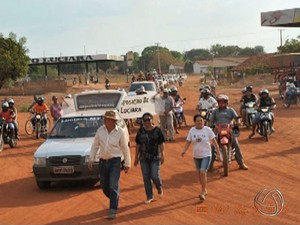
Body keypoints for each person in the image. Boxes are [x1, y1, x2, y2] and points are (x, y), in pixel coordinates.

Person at [88, 110, 131, 220]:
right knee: (104, 186)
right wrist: (91, 158)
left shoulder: (120, 132)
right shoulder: (100, 131)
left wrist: (127, 163)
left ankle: (113, 209)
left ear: (113, 121)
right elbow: (95, 145)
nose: (105, 120)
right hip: (103, 161)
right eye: (105, 118)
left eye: (107, 119)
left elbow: (125, 148)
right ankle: (114, 197)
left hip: (115, 162)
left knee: (113, 185)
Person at [181, 115, 219, 201]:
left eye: (201, 120)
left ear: (204, 121)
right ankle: (204, 188)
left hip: (206, 154)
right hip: (196, 156)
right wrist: (184, 150)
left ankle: (203, 191)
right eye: (197, 121)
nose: (199, 122)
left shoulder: (208, 130)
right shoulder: (192, 130)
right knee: (200, 173)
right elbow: (188, 141)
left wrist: (219, 153)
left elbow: (214, 142)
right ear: (194, 122)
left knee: (202, 172)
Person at [210, 95, 248, 170]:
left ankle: (241, 163)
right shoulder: (215, 111)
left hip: (229, 129)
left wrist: (239, 122)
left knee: (236, 144)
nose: (221, 104)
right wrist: (210, 125)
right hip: (218, 129)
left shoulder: (230, 110)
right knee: (213, 146)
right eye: (220, 102)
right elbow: (211, 121)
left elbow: (237, 118)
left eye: (223, 102)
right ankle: (210, 165)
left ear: (226, 102)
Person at [134, 112, 165, 204]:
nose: (147, 122)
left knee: (155, 175)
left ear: (152, 120)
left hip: (155, 156)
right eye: (145, 120)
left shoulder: (157, 130)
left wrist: (163, 154)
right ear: (142, 121)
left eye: (149, 119)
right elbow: (138, 144)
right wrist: (136, 157)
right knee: (146, 177)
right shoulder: (140, 131)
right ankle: (149, 196)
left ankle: (159, 187)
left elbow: (161, 143)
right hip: (143, 157)